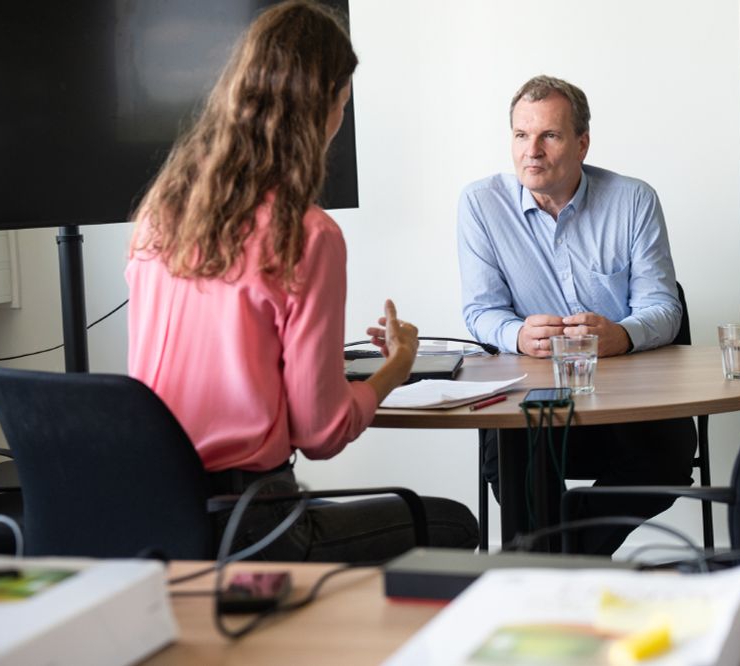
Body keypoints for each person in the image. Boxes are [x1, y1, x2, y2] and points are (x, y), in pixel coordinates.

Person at [126, 0, 477, 563]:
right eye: (342, 103)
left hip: (149, 521)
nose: (341, 119)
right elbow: (321, 432)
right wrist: (395, 366)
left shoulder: (158, 218)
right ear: (323, 109)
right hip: (251, 527)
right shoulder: (306, 234)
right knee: (453, 524)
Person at [457, 75, 696, 555]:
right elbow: (481, 311)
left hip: (627, 407)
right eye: (521, 135)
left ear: (582, 142)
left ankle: (547, 552)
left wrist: (622, 335)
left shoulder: (633, 200)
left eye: (550, 135)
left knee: (668, 455)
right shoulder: (481, 204)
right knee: (509, 450)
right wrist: (517, 334)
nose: (533, 151)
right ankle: (562, 557)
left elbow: (665, 309)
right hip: (535, 405)